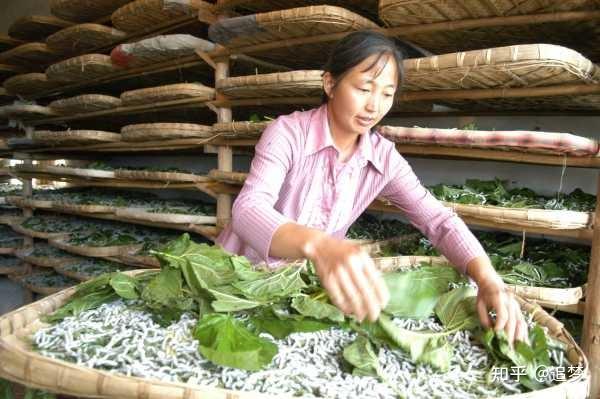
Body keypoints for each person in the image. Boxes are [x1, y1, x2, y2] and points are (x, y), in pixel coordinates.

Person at [217, 31, 528, 344]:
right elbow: (248, 210)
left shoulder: (382, 157)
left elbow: (439, 221)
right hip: (235, 284)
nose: (374, 106)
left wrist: (488, 279)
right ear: (330, 84)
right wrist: (321, 246)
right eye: (364, 88)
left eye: (386, 93)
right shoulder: (287, 133)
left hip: (299, 291)